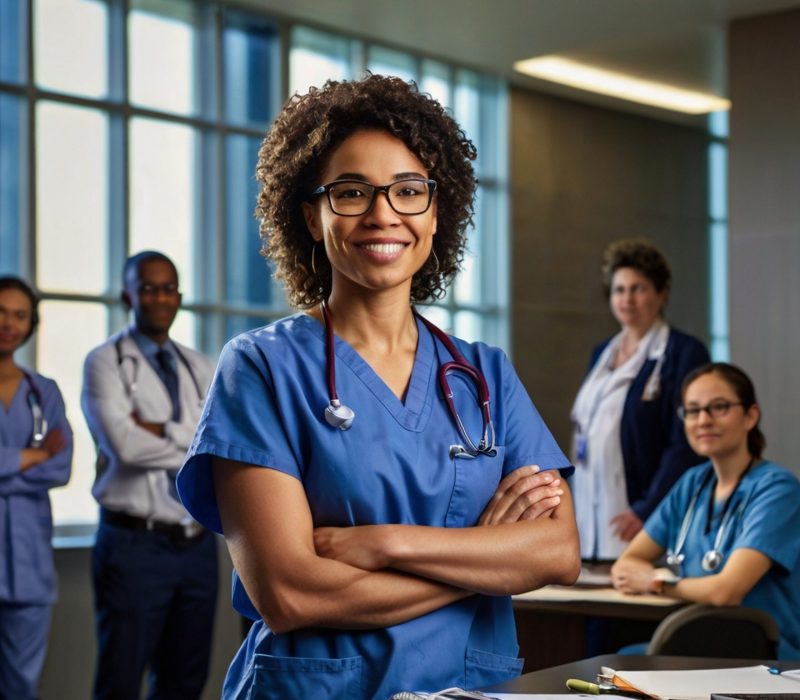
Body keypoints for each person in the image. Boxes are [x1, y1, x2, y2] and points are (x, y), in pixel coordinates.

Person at [177, 74, 580, 700]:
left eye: (408, 190)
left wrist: (383, 543)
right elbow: (289, 593)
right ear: (311, 216)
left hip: (471, 688)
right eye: (352, 192)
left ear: (436, 210)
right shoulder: (259, 368)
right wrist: (485, 560)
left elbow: (556, 552)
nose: (383, 213)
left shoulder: (485, 375)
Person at [81, 252, 218, 700]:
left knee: (185, 680)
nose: (160, 298)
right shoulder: (104, 361)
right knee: (121, 678)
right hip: (134, 546)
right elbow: (125, 446)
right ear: (127, 296)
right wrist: (188, 437)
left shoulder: (202, 367)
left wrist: (159, 429)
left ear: (179, 296)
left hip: (197, 546)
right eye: (147, 288)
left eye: (168, 288)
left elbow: (215, 445)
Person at [611, 362, 800, 659]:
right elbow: (628, 562)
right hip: (701, 644)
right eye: (693, 410)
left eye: (719, 407)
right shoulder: (692, 484)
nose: (703, 420)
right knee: (617, 661)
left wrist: (656, 583)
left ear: (751, 416)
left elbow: (726, 592)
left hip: (766, 657)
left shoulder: (778, 489)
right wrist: (651, 578)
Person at [570, 239, 710, 561]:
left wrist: (649, 507)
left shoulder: (683, 353)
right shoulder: (601, 354)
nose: (627, 299)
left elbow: (685, 446)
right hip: (591, 513)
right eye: (619, 290)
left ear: (662, 294)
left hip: (642, 516)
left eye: (639, 289)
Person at [0, 276, 72, 700]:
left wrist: (39, 461)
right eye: (1, 312)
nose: (9, 323)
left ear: (31, 325)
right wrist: (29, 457)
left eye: (20, 315)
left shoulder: (42, 392)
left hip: (29, 570)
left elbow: (60, 467)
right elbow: (45, 460)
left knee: (22, 688)